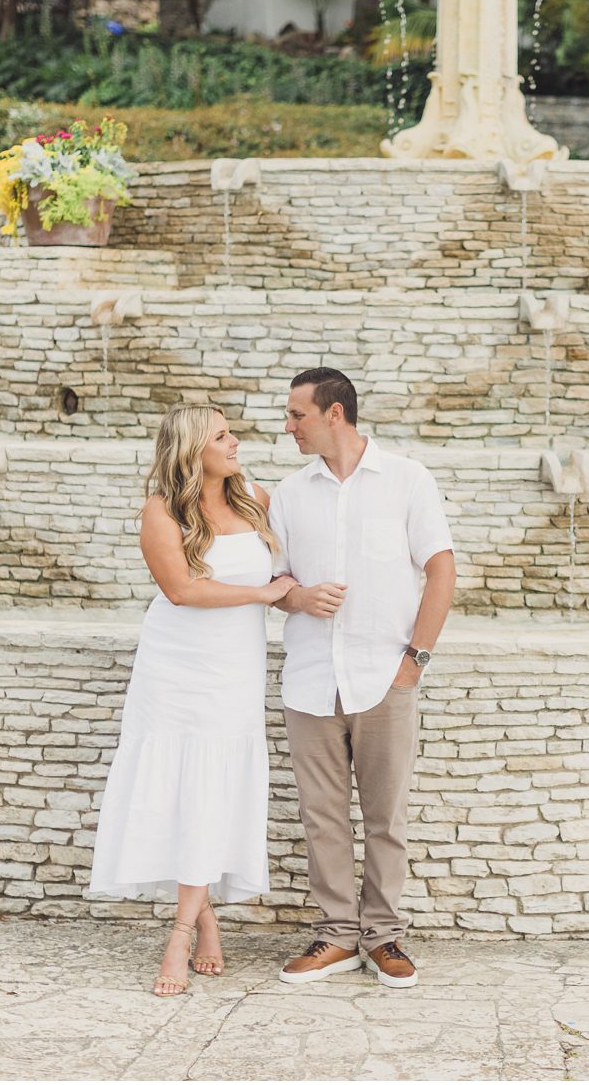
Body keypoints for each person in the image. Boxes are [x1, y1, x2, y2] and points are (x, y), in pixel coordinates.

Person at [86, 404, 297, 997]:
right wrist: (265, 592)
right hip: (175, 668)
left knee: (213, 788)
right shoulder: (161, 510)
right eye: (222, 435)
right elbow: (180, 590)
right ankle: (186, 929)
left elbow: (305, 552)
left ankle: (196, 919)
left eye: (232, 432)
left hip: (234, 668)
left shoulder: (256, 496)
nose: (236, 442)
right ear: (192, 449)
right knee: (182, 787)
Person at [268, 368, 456, 989]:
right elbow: (276, 581)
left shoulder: (407, 480)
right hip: (312, 679)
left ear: (335, 415)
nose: (288, 426)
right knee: (322, 817)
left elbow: (441, 571)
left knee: (385, 816)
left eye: (297, 415)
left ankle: (384, 935)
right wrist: (296, 599)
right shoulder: (290, 494)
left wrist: (413, 663)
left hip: (385, 678)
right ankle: (336, 935)